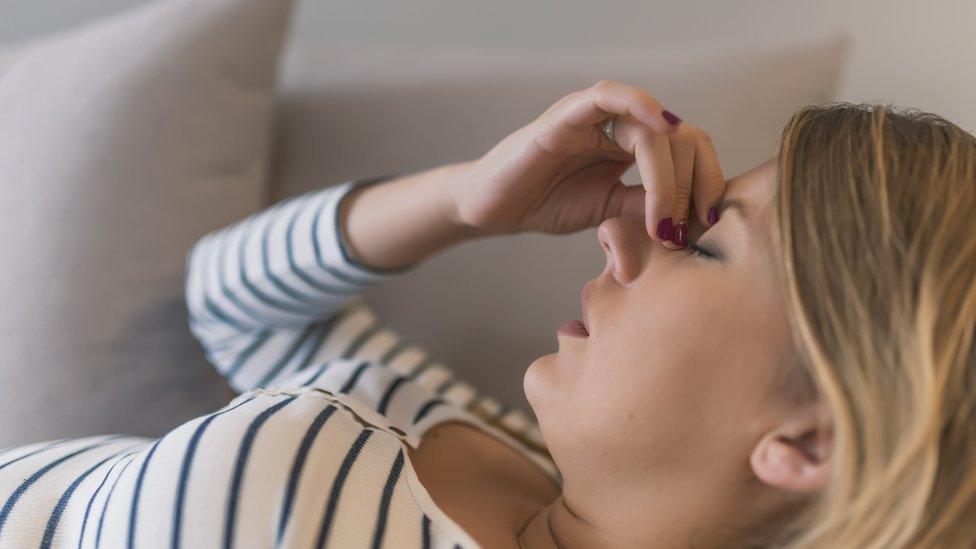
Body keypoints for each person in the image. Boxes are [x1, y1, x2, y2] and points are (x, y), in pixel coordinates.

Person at [0, 79, 972, 548]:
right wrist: (469, 200)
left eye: (707, 244)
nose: (623, 238)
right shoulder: (497, 446)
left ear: (809, 436)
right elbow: (227, 300)